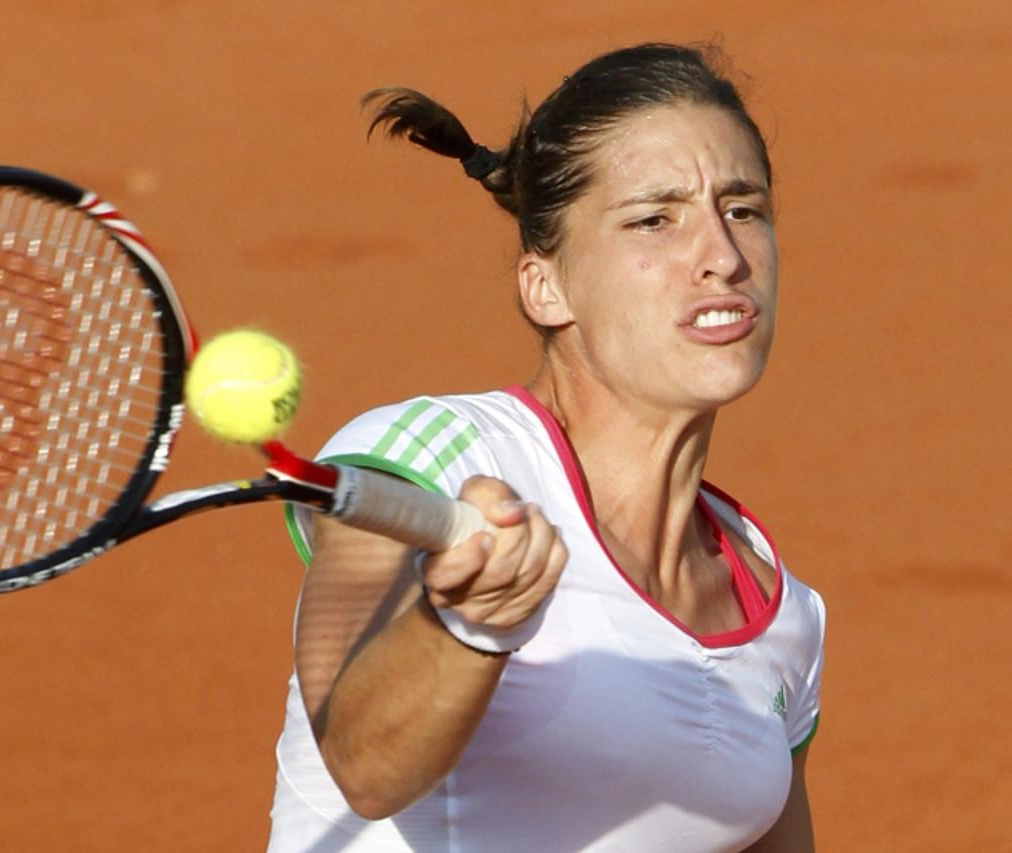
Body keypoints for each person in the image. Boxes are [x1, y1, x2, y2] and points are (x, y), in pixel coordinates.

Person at [268, 42, 825, 852]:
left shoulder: (784, 614)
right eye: (654, 219)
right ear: (546, 285)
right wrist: (468, 623)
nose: (724, 258)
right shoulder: (431, 460)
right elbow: (363, 762)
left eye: (743, 208)